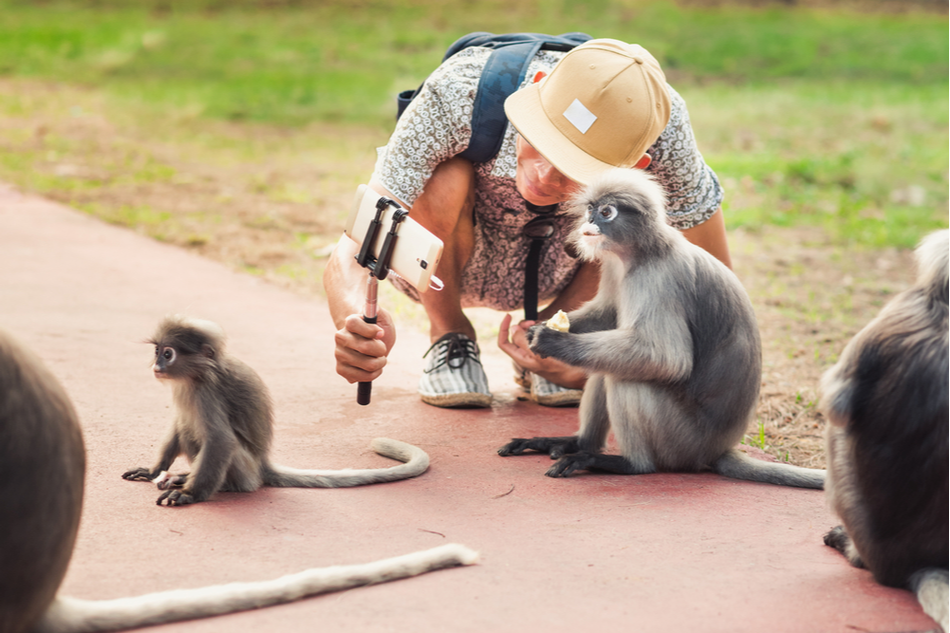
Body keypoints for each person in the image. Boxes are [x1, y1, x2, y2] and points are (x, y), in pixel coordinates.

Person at [324, 38, 731, 409]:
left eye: (574, 168)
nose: (545, 177)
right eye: (542, 141)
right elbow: (355, 243)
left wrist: (598, 356)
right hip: (443, 264)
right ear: (532, 88)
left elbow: (715, 293)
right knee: (442, 175)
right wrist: (356, 323)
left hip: (569, 264)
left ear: (635, 163)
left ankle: (556, 337)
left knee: (626, 207)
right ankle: (450, 336)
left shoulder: (663, 135)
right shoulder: (459, 91)